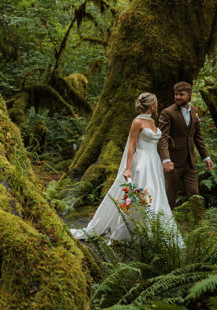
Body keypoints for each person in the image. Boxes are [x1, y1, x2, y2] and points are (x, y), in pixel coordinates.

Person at [70, 92, 182, 244]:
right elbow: (131, 146)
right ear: (151, 105)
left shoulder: (152, 122)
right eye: (155, 102)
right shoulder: (137, 122)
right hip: (142, 162)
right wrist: (128, 168)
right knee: (145, 194)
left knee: (156, 194)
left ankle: (157, 232)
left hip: (154, 162)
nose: (157, 105)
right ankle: (136, 232)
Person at [158, 81, 213, 208]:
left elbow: (197, 137)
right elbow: (163, 138)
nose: (177, 97)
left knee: (194, 194)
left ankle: (198, 224)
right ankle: (166, 224)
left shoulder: (195, 111)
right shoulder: (167, 113)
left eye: (181, 94)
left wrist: (206, 157)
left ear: (189, 96)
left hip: (190, 162)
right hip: (172, 162)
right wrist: (166, 159)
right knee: (169, 195)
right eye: (176, 94)